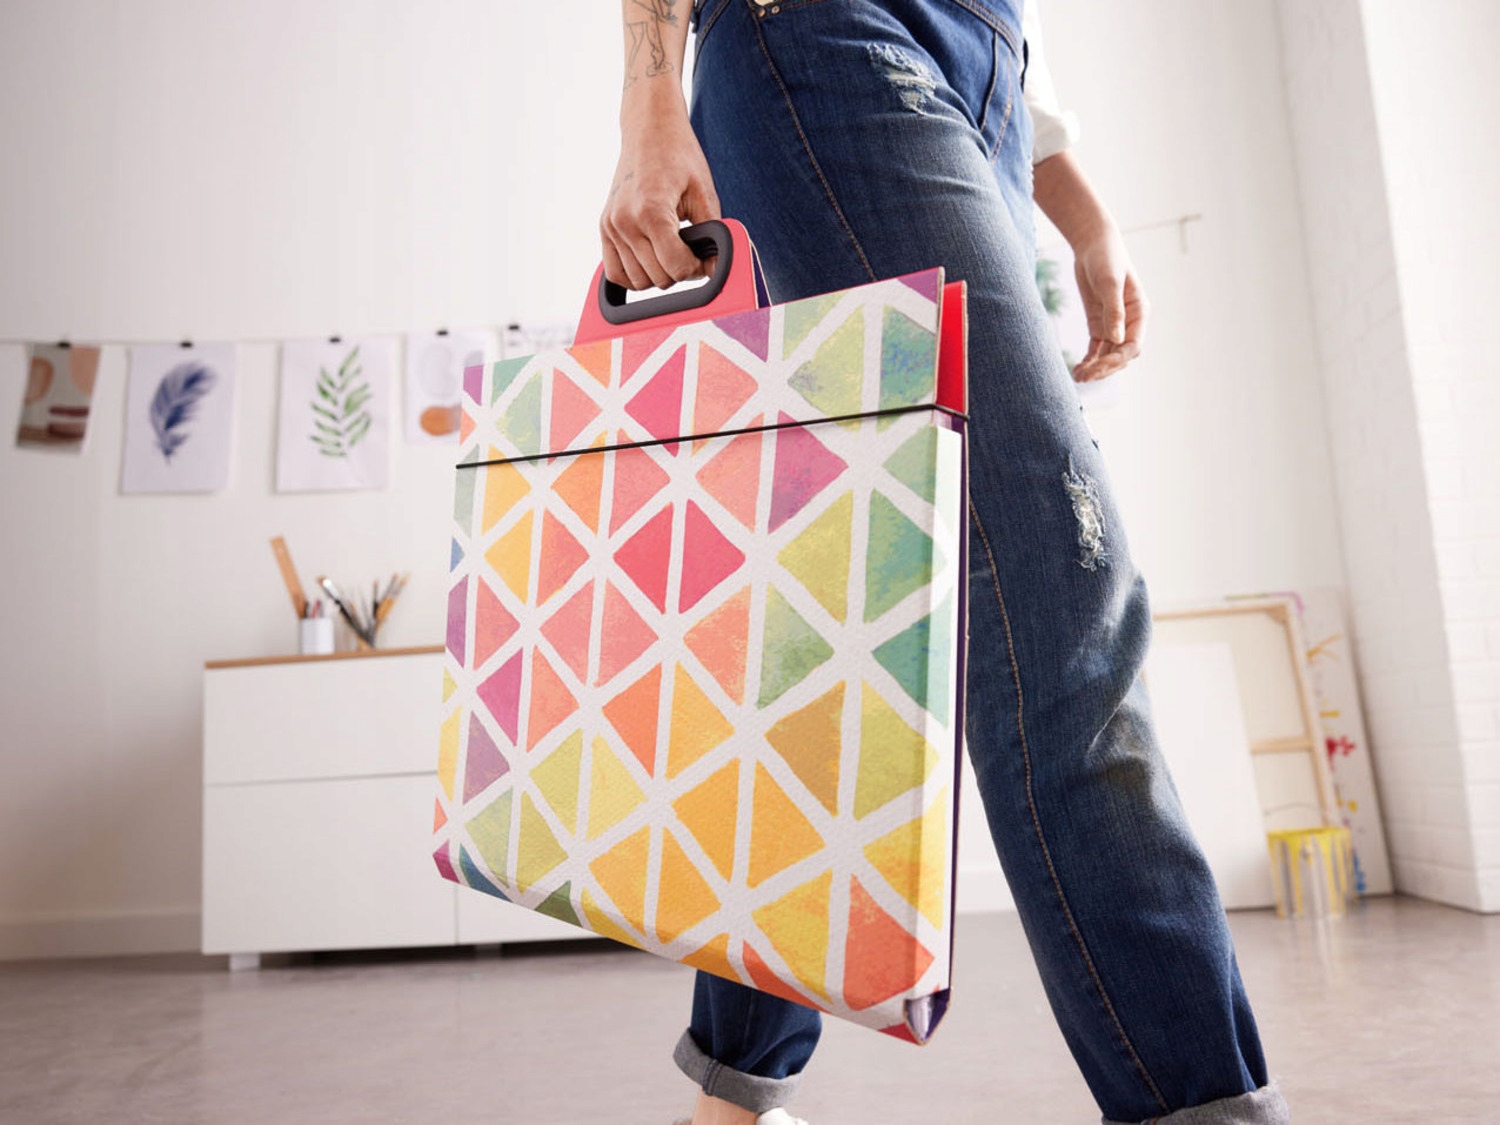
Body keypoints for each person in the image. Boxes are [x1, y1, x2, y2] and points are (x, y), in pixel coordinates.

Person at [599, 2, 1291, 1123]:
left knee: (830, 626)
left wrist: (1083, 211)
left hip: (984, 86)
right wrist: (649, 100)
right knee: (1058, 596)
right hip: (824, 38)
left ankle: (733, 1102)